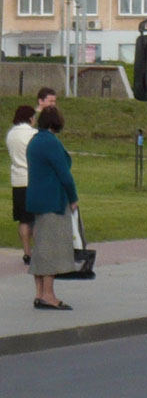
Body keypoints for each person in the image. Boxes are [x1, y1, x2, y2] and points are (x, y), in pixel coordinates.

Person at [25, 106, 78, 310]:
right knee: (51, 248)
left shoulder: (35, 141)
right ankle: (49, 295)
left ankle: (39, 293)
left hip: (37, 199)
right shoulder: (50, 143)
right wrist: (73, 198)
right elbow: (64, 175)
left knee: (40, 248)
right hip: (53, 200)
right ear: (57, 122)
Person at [5, 105, 37, 265]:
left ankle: (27, 252)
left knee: (24, 220)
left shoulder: (11, 134)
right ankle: (39, 252)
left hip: (17, 180)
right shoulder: (33, 134)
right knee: (37, 218)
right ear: (30, 118)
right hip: (32, 179)